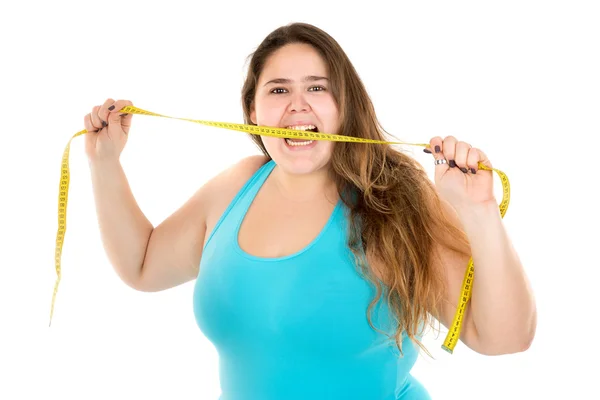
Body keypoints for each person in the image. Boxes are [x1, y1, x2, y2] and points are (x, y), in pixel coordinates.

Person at [83, 22, 536, 400]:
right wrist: (104, 164)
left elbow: (505, 338)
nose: (297, 105)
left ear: (345, 107)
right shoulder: (237, 185)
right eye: (278, 89)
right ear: (253, 110)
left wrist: (480, 212)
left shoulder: (394, 201)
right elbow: (143, 265)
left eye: (317, 88)